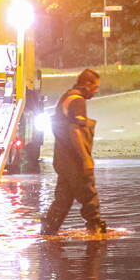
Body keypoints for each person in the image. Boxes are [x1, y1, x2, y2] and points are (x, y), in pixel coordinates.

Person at [40, 68, 107, 235]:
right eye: (95, 87)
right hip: (74, 160)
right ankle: (96, 231)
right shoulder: (77, 101)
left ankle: (48, 231)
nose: (96, 91)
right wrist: (85, 158)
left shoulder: (67, 97)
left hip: (63, 159)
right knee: (88, 194)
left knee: (63, 200)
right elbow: (75, 130)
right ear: (87, 84)